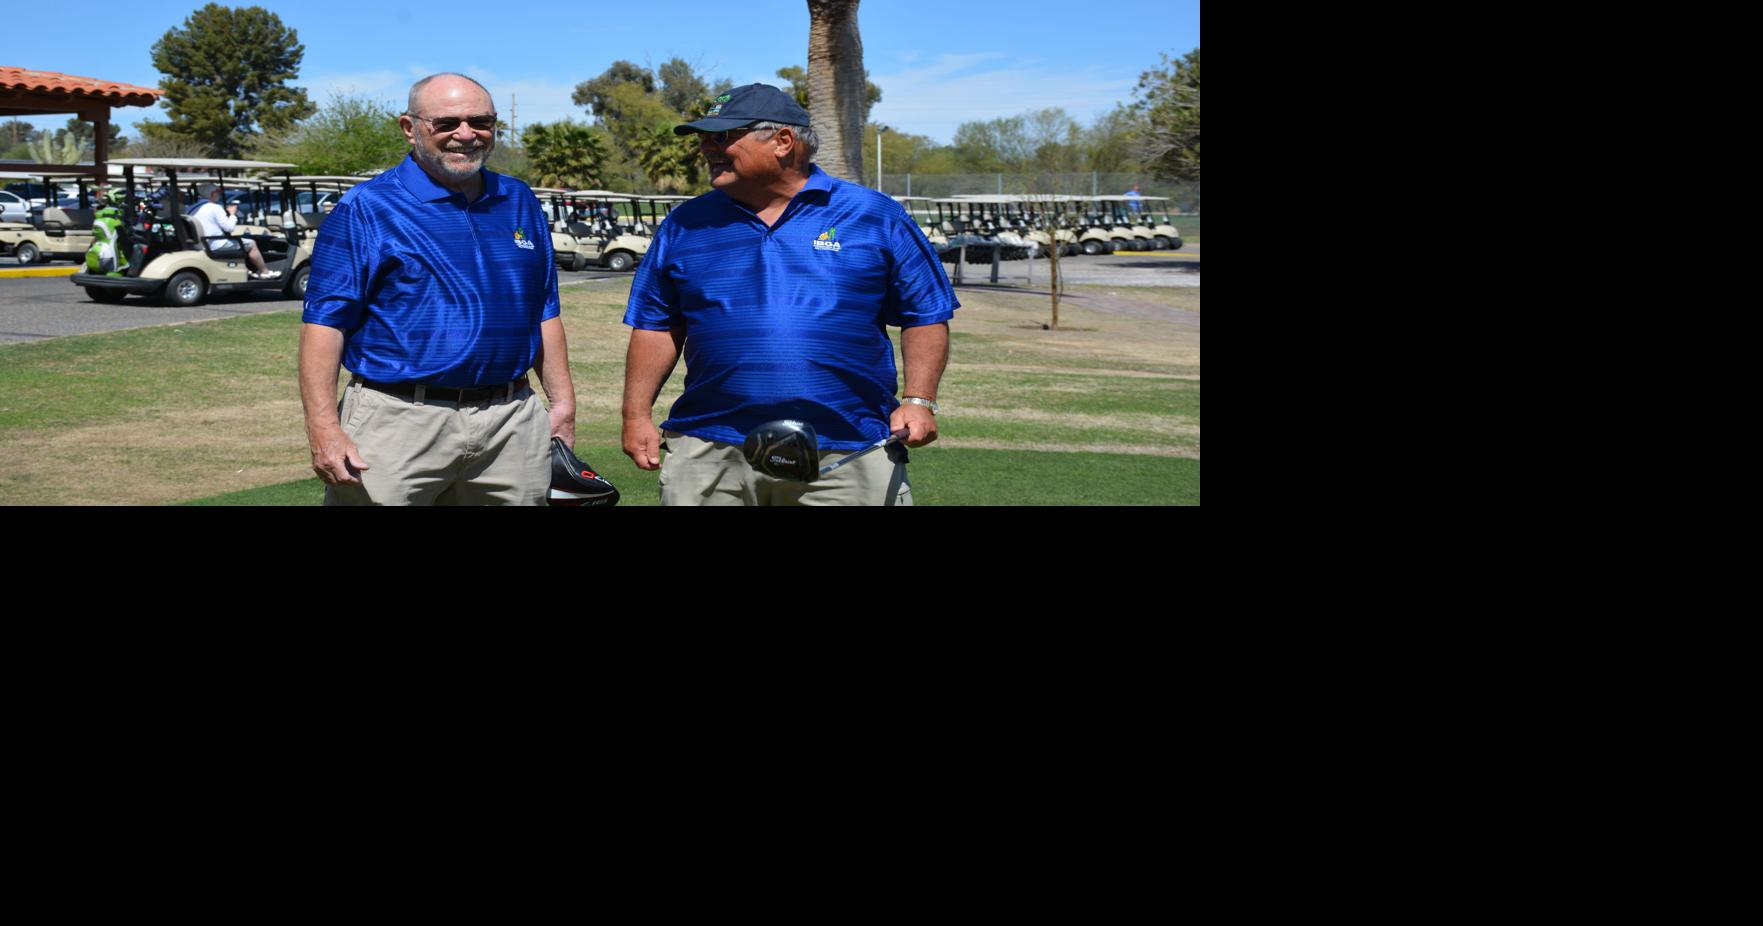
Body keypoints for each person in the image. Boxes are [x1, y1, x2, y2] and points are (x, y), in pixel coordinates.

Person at [621, 83, 956, 506]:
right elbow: (656, 325)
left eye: (722, 136)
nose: (705, 146)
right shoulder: (685, 224)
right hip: (709, 447)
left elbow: (924, 313)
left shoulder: (874, 215)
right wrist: (635, 415)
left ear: (783, 142)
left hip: (846, 448)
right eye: (704, 137)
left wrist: (919, 400)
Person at [299, 72, 577, 505]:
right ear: (410, 129)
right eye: (446, 123)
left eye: (480, 121)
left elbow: (543, 308)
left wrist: (561, 403)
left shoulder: (519, 199)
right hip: (397, 419)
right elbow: (325, 324)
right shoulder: (367, 207)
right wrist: (322, 427)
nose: (465, 135)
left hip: (511, 420)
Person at [191, 184, 277, 279]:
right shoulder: (215, 207)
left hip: (201, 244)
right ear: (212, 194)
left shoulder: (192, 208)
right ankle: (265, 272)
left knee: (240, 242)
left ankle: (246, 271)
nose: (219, 195)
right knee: (251, 243)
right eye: (218, 192)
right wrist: (232, 214)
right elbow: (229, 228)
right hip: (216, 244)